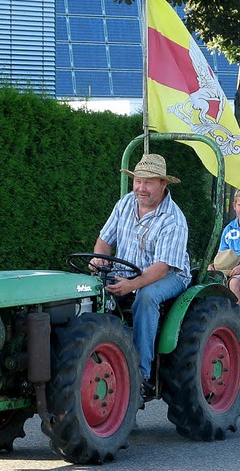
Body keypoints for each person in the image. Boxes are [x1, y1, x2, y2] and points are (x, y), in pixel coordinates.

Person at [92, 153, 191, 396]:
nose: (141, 188)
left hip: (168, 276)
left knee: (146, 297)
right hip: (126, 272)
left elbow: (161, 268)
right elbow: (104, 242)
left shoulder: (173, 220)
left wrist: (131, 285)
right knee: (90, 291)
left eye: (148, 182)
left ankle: (141, 374)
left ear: (163, 184)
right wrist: (99, 260)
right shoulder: (125, 203)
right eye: (138, 181)